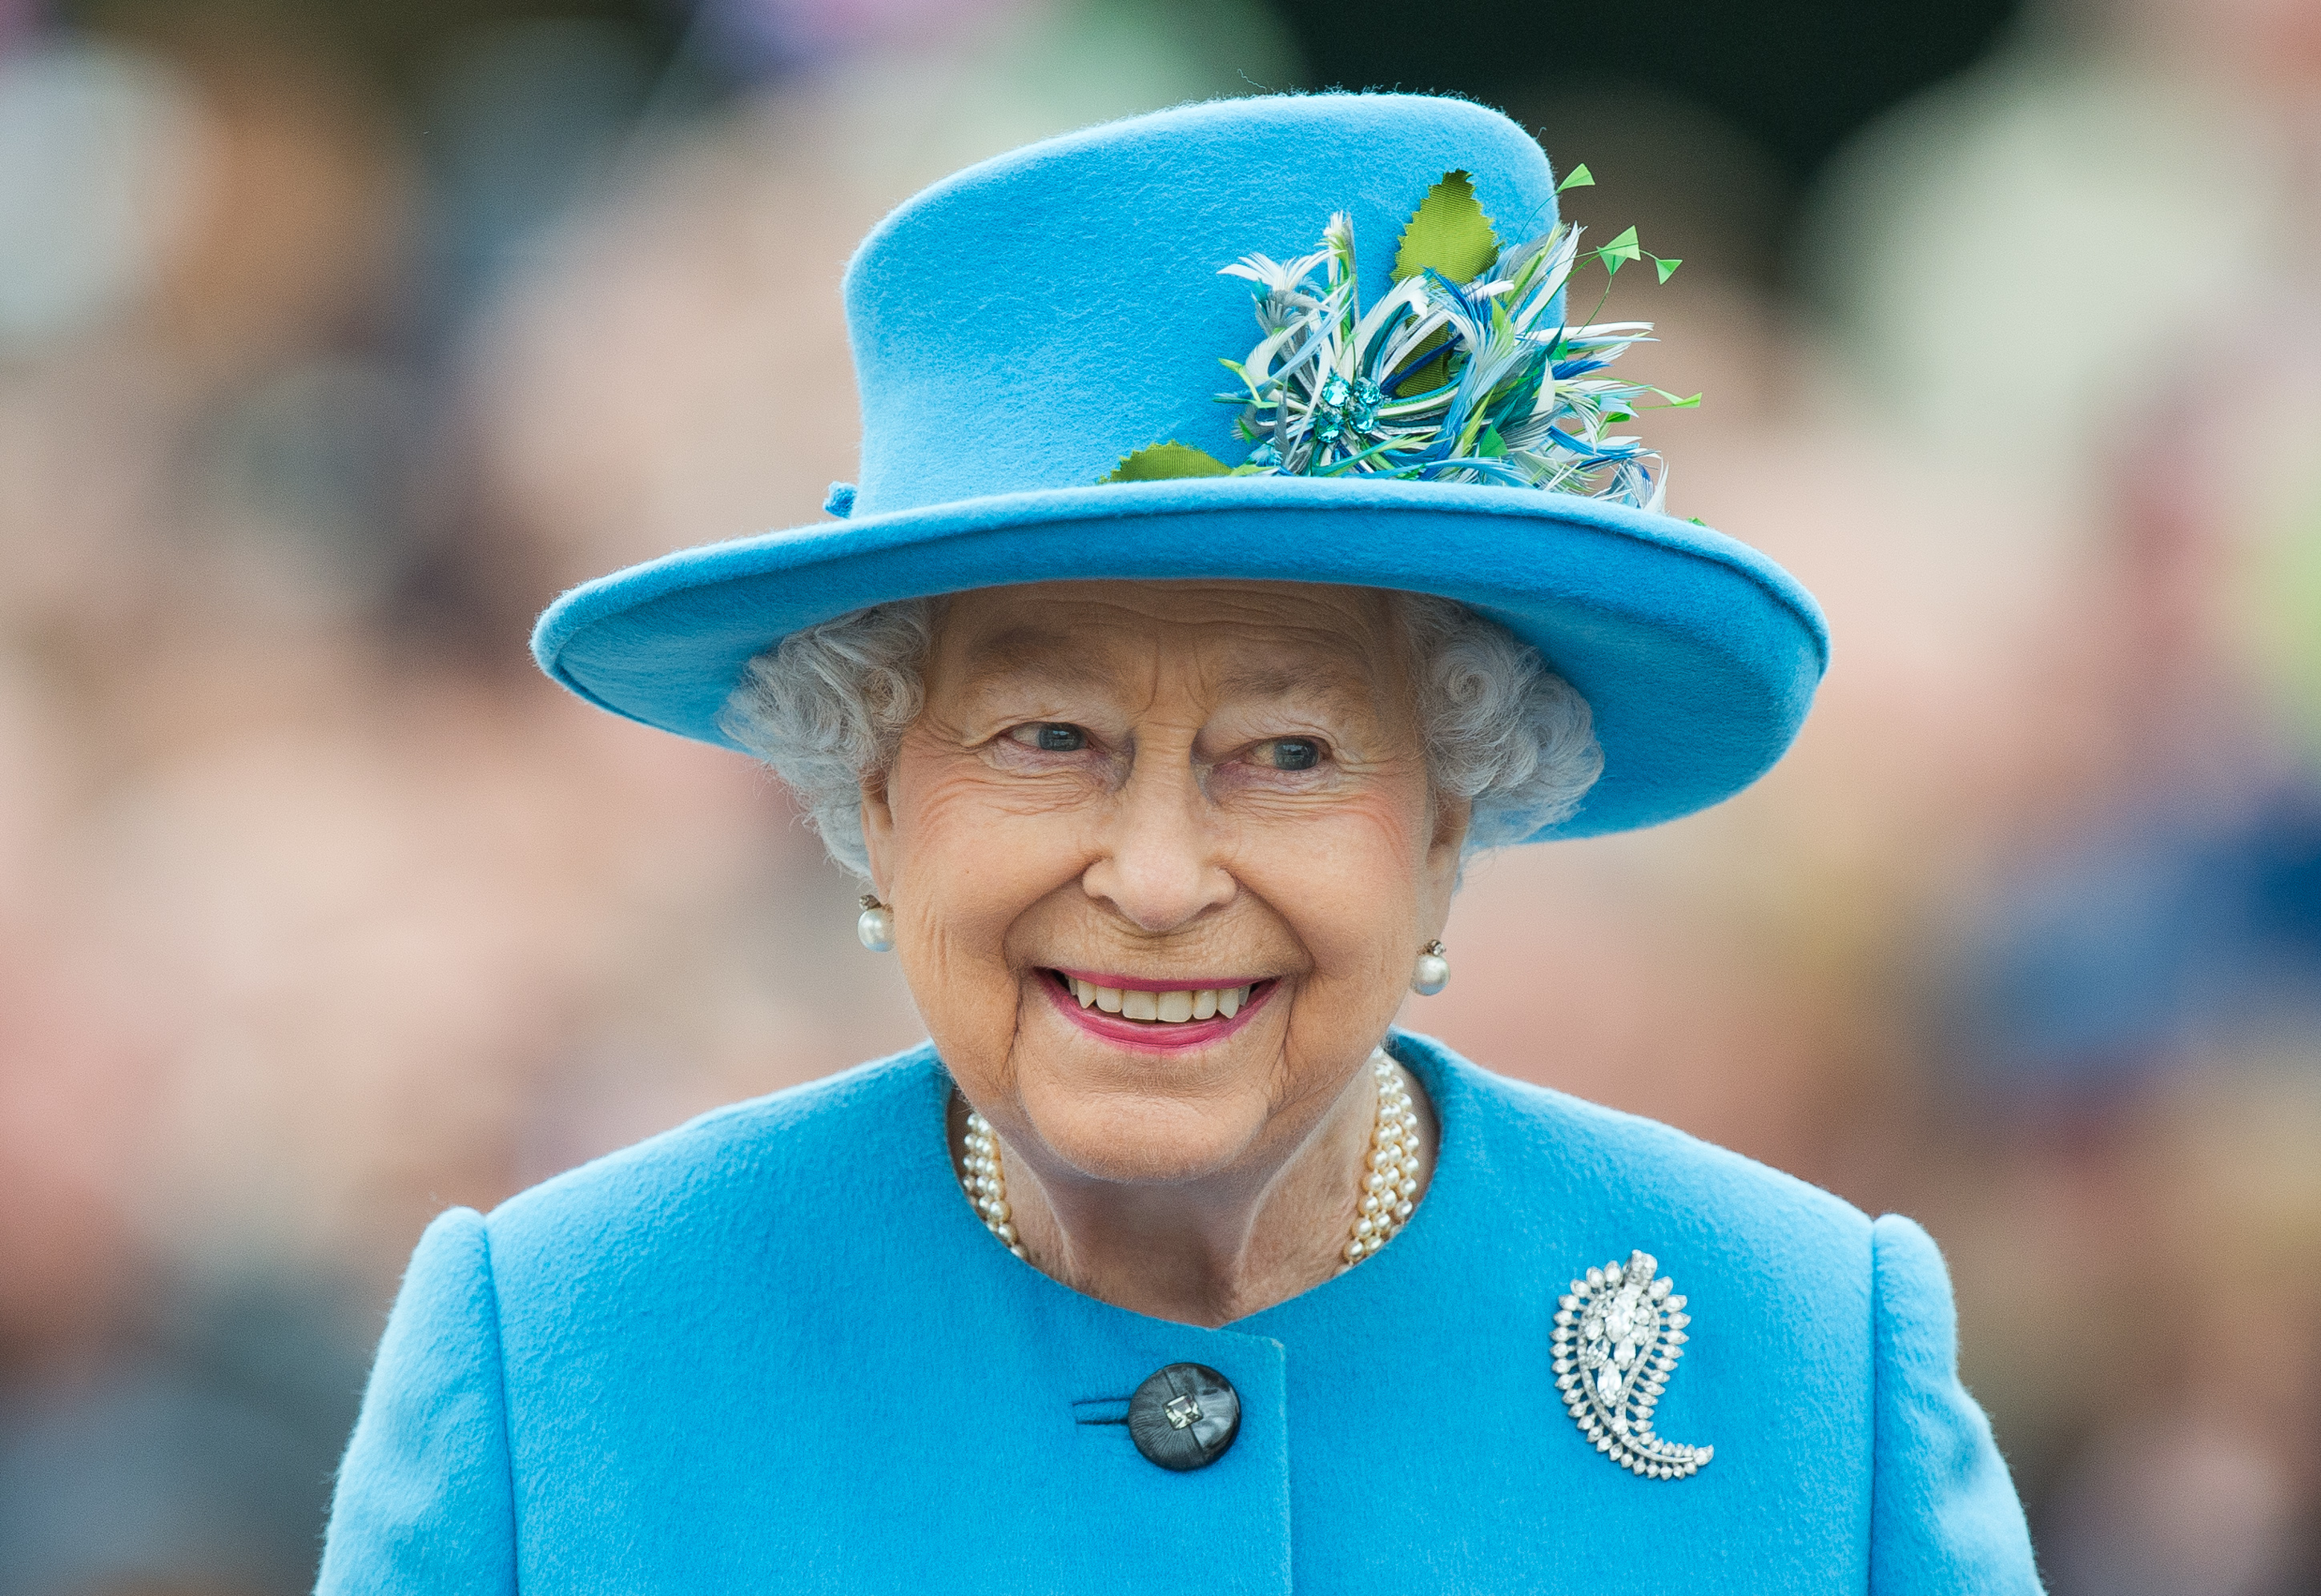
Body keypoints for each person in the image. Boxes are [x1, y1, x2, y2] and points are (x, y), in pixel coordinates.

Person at [316, 93, 2041, 1593]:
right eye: (1047, 738)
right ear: (874, 798)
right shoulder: (562, 1354)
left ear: (1451, 811)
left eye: (1287, 750)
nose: (1153, 879)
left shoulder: (1808, 1359)